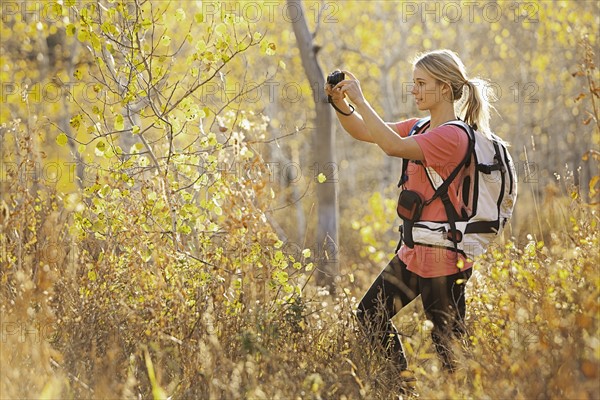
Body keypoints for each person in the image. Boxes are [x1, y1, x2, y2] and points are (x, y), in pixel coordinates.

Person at [325, 49, 496, 372]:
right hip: (414, 252)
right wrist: (341, 103)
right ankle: (402, 388)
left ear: (445, 88)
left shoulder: (451, 136)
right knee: (370, 316)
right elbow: (367, 132)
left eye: (421, 83)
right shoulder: (420, 126)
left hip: (443, 259)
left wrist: (361, 101)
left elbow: (392, 147)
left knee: (450, 351)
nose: (414, 90)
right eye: (413, 83)